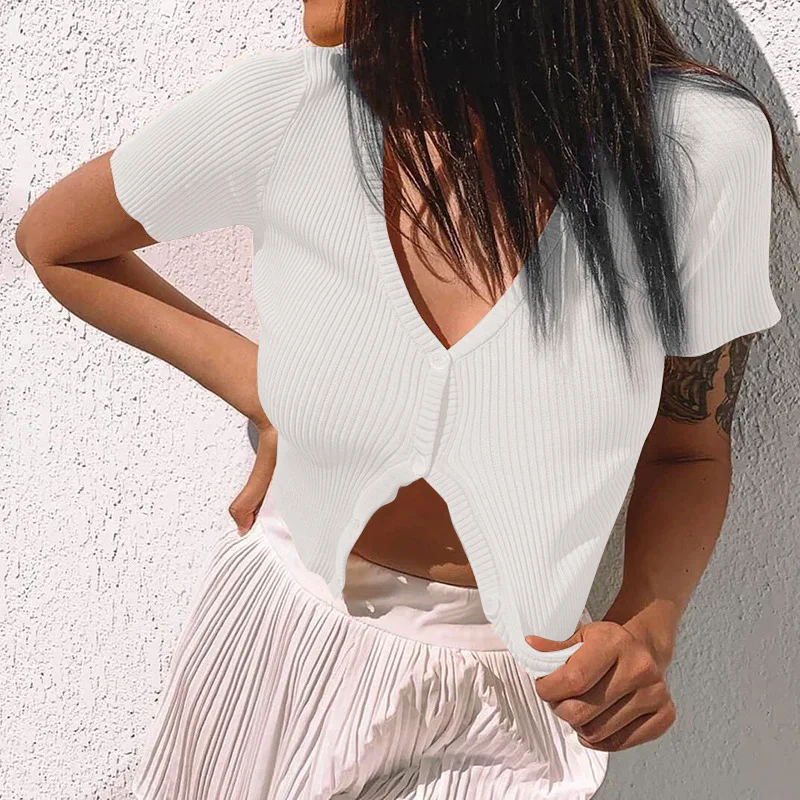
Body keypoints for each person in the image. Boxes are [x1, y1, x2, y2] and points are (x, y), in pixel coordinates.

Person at [15, 0, 797, 798]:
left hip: (510, 707)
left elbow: (688, 446)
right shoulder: (289, 106)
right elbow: (56, 245)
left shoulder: (695, 149)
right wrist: (265, 389)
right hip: (276, 651)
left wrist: (647, 622)